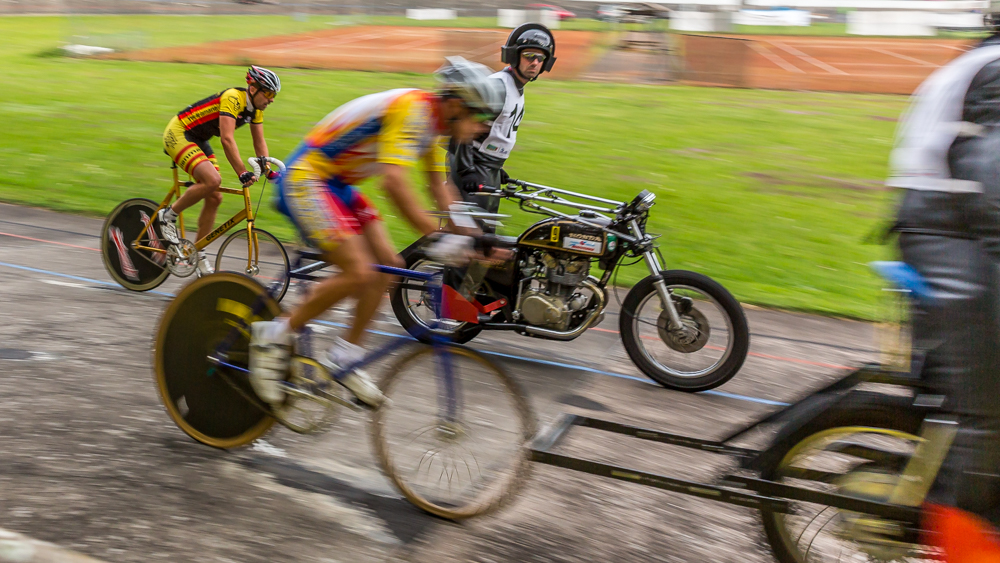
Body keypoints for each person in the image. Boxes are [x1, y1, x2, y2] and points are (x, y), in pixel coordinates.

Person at [247, 58, 506, 408]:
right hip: (307, 178)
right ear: (458, 106)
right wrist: (439, 237)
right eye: (481, 118)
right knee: (360, 272)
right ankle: (271, 336)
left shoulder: (432, 123)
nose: (482, 128)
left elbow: (437, 188)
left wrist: (476, 237)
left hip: (336, 184)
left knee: (388, 266)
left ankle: (345, 356)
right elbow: (393, 182)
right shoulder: (413, 111)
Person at [887, 6, 1000, 558]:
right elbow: (992, 183)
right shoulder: (997, 68)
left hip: (957, 225)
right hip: (950, 231)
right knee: (989, 413)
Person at [157, 65, 281, 275]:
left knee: (215, 198)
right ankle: (167, 216)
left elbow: (259, 142)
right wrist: (242, 171)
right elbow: (226, 138)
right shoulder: (233, 98)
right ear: (253, 89)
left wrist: (268, 169)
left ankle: (198, 252)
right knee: (212, 181)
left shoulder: (256, 110)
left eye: (273, 95)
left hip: (199, 139)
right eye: (268, 93)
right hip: (179, 132)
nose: (271, 99)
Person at [448, 24, 556, 222]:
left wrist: (496, 166)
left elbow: (494, 131)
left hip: (487, 169)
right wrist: (466, 170)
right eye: (529, 55)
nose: (534, 62)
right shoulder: (499, 86)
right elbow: (461, 126)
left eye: (540, 58)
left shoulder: (515, 88)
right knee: (470, 236)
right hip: (473, 170)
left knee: (486, 234)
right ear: (514, 55)